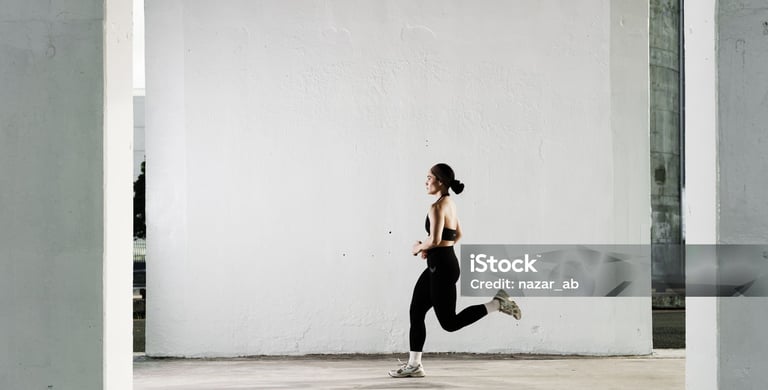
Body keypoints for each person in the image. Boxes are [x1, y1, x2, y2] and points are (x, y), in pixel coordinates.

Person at [388, 163, 522, 378]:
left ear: (440, 181)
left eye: (429, 177)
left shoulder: (436, 207)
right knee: (416, 311)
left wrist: (419, 248)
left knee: (449, 323)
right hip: (443, 263)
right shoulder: (449, 203)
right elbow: (456, 235)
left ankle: (498, 303)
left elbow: (435, 239)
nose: (426, 181)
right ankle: (415, 365)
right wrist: (431, 250)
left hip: (440, 268)